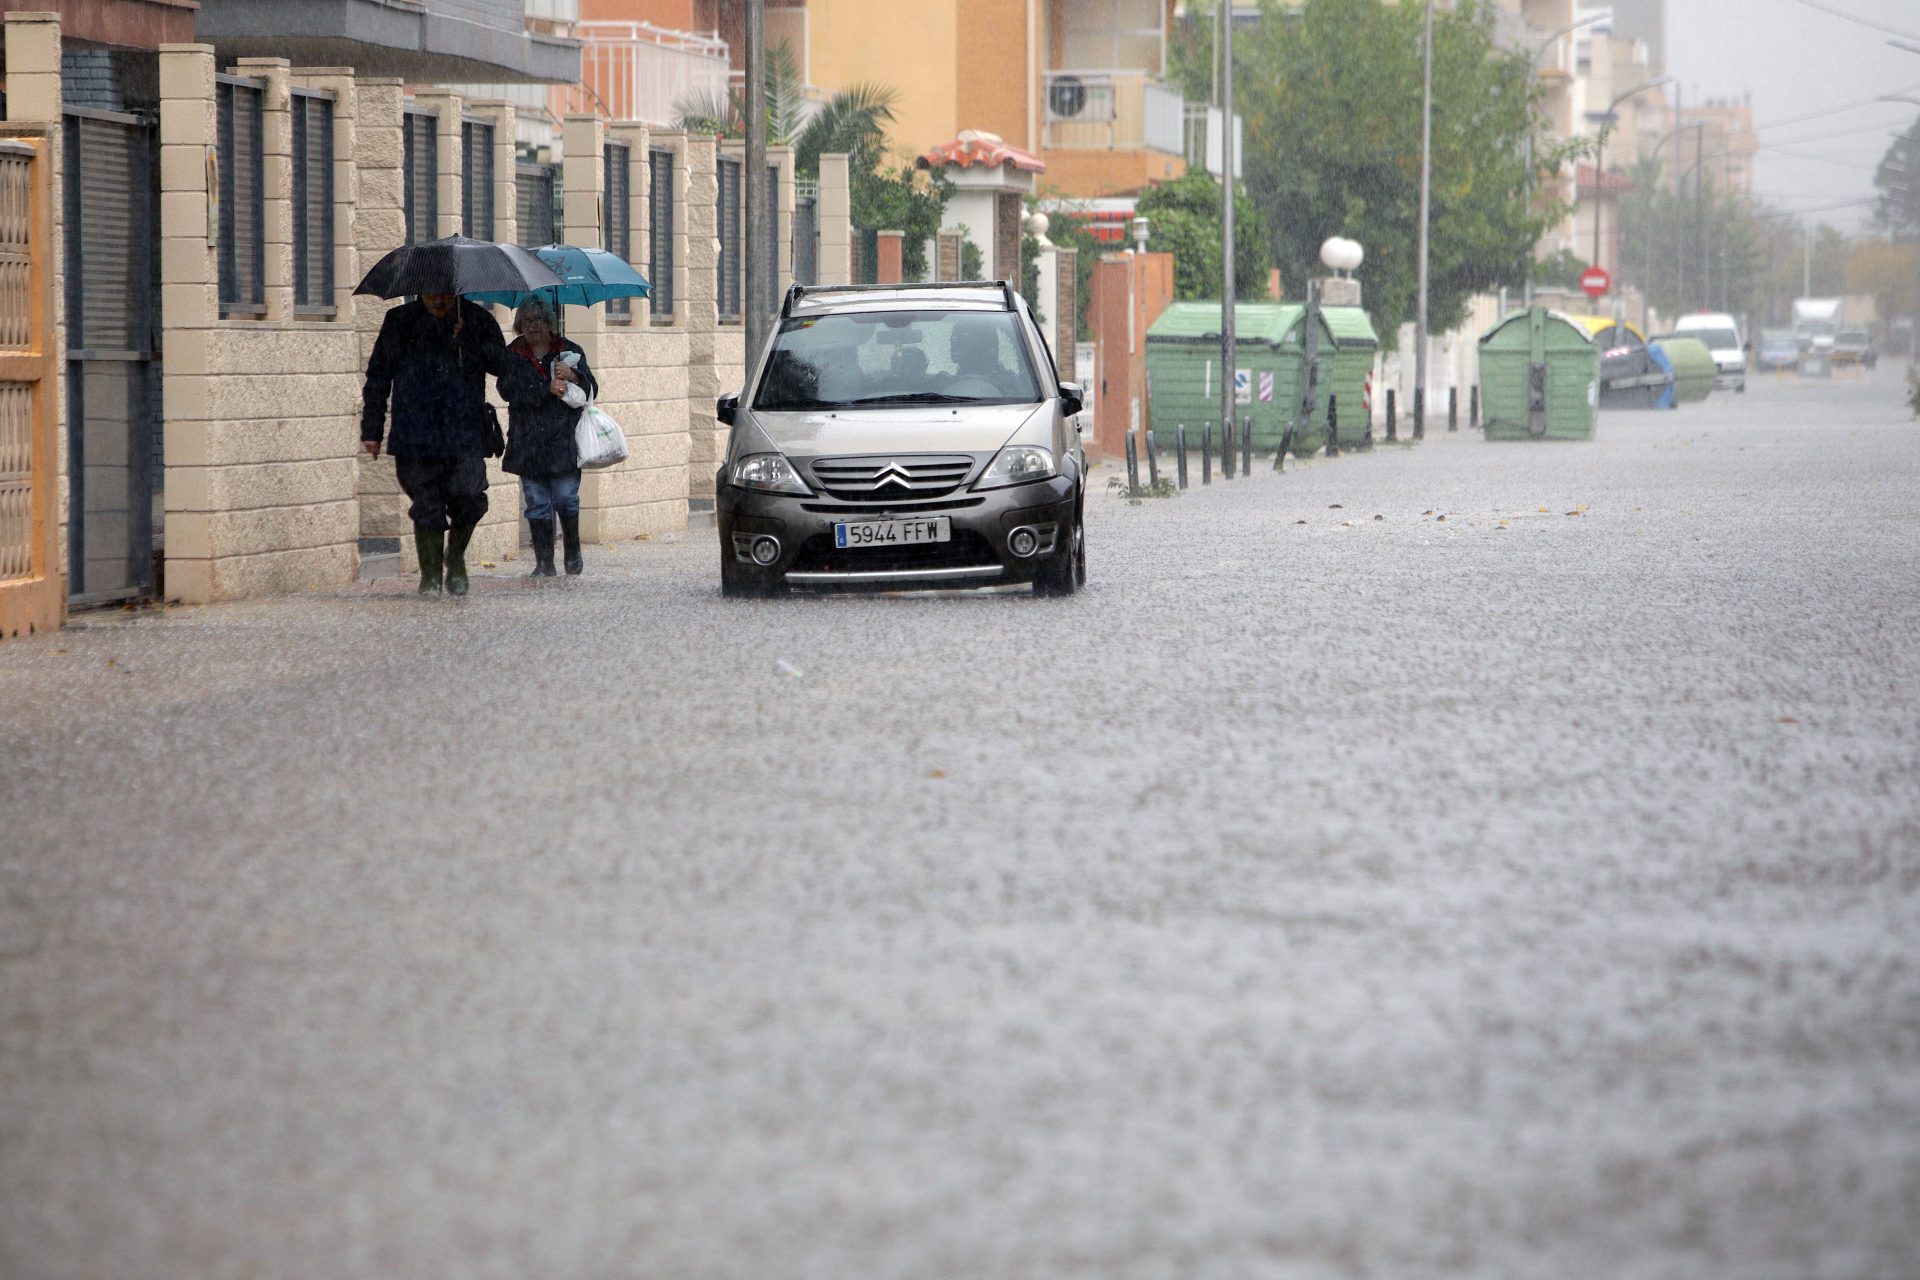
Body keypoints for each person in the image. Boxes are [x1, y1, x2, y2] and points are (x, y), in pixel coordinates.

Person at [360, 292, 532, 597]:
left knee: (470, 497)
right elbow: (379, 376)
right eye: (431, 294)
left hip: (465, 431)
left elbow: (503, 365)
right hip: (415, 432)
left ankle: (455, 557)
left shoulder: (477, 319)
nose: (438, 300)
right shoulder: (400, 321)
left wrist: (469, 341)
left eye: (444, 294)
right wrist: (372, 429)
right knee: (427, 504)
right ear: (420, 291)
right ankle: (430, 577)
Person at [499, 298, 595, 576]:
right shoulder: (513, 353)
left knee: (565, 498)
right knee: (537, 502)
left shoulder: (569, 351)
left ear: (550, 322)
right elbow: (507, 389)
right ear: (520, 324)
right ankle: (544, 563)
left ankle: (572, 551)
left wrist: (573, 375)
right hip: (527, 440)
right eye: (527, 321)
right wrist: (545, 388)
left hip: (562, 440)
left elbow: (591, 390)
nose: (533, 326)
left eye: (539, 320)